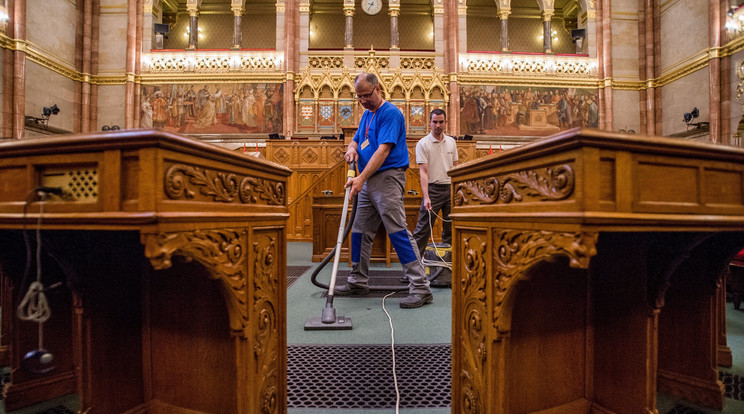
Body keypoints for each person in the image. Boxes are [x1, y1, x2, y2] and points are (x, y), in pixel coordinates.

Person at [335, 72, 433, 309]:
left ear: (378, 90)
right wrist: (351, 149)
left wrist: (360, 178)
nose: (363, 101)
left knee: (397, 230)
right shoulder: (367, 115)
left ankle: (420, 287)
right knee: (358, 230)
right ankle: (358, 280)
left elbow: (383, 150)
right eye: (358, 97)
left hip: (387, 178)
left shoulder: (391, 113)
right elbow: (356, 140)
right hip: (368, 181)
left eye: (366, 95)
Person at [412, 108, 458, 260]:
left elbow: (455, 168)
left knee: (451, 230)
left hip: (450, 189)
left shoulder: (451, 142)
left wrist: (457, 191)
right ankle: (411, 271)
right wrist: (426, 197)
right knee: (422, 230)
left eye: (441, 122)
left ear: (445, 123)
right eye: (435, 122)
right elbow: (423, 173)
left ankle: (450, 268)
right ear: (429, 123)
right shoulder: (423, 144)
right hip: (433, 190)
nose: (438, 125)